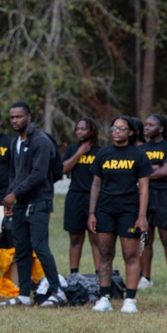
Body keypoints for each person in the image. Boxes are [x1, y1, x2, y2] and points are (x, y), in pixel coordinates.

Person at [0, 102, 64, 307]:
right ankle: (24, 295)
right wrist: (10, 195)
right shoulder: (15, 142)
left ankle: (58, 292)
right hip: (19, 202)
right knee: (22, 247)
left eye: (19, 117)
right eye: (12, 117)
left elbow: (38, 174)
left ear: (29, 117)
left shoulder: (41, 141)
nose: (15, 121)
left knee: (39, 245)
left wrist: (14, 194)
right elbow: (14, 173)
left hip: (39, 201)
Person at [89, 115, 152, 313]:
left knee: (130, 255)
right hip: (105, 209)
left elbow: (143, 189)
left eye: (121, 128)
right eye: (114, 128)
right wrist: (92, 212)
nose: (116, 131)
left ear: (131, 132)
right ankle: (104, 297)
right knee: (105, 254)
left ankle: (130, 300)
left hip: (129, 210)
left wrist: (142, 216)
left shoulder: (138, 155)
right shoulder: (103, 153)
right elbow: (96, 184)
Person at [139, 114, 167, 292]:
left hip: (163, 197)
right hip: (145, 197)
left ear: (160, 128)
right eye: (145, 125)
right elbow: (136, 171)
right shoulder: (142, 149)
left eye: (151, 125)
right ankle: (145, 278)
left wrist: (148, 172)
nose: (146, 128)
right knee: (145, 239)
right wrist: (155, 168)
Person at [61, 117, 100, 280]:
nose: (79, 132)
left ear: (92, 131)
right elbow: (63, 169)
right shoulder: (71, 150)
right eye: (77, 129)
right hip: (75, 197)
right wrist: (79, 153)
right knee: (75, 238)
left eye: (83, 129)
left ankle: (100, 275)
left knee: (96, 238)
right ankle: (74, 274)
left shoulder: (101, 152)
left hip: (95, 199)